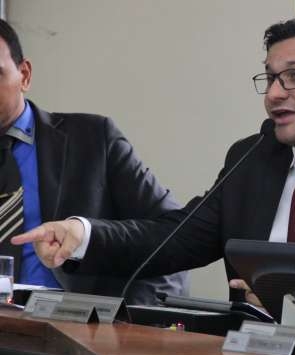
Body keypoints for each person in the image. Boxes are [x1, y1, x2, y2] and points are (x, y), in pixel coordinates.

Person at [13, 15, 295, 337]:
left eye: (294, 76)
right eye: (270, 78)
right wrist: (85, 235)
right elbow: (176, 239)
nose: (274, 95)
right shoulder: (253, 157)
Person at [0, 18, 187, 304]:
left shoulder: (93, 139)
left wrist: (124, 317)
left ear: (24, 74)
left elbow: (173, 236)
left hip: (72, 321)